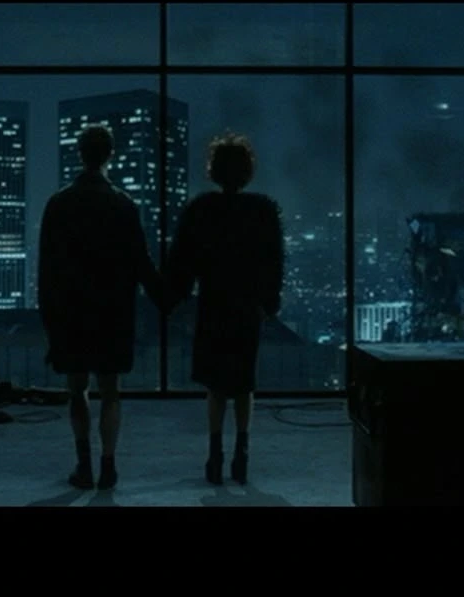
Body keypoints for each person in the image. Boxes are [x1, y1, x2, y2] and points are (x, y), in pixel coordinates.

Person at [38, 125, 163, 491]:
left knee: (77, 390)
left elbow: (47, 270)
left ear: (79, 153)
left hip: (72, 311)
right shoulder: (123, 204)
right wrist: (168, 296)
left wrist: (50, 320)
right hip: (113, 311)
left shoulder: (58, 204)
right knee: (111, 391)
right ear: (110, 155)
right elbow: (141, 263)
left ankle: (84, 465)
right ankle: (109, 465)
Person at [166, 131, 284, 485]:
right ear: (247, 171)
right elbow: (274, 262)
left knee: (216, 384)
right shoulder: (263, 211)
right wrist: (269, 302)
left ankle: (215, 453)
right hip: (246, 307)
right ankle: (241, 453)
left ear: (214, 170)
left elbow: (182, 262)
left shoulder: (201, 210)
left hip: (213, 304)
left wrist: (173, 296)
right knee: (244, 382)